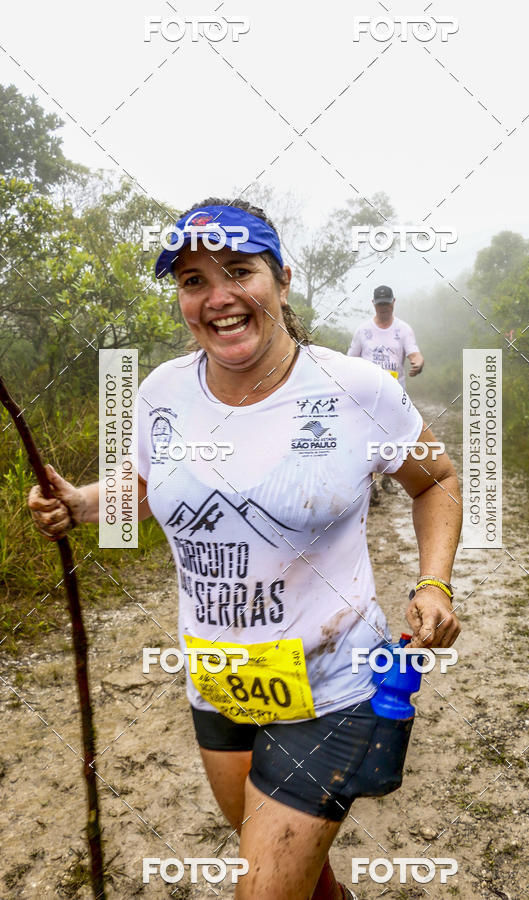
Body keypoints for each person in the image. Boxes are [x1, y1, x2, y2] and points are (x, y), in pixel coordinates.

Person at [28, 199, 462, 900]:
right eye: (193, 280)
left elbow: (436, 480)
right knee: (302, 879)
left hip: (335, 686)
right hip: (220, 680)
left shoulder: (357, 392)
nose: (218, 297)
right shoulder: (161, 391)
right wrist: (80, 504)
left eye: (238, 271)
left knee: (262, 890)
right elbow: (147, 486)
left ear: (282, 280)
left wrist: (434, 584)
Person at [348, 286, 424, 499]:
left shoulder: (403, 329)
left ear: (394, 302)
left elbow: (414, 353)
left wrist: (417, 363)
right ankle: (370, 484)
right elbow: (351, 359)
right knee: (368, 438)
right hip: (367, 395)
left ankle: (388, 478)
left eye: (387, 304)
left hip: (394, 396)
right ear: (374, 304)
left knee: (390, 439)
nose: (384, 308)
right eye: (380, 304)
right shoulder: (363, 331)